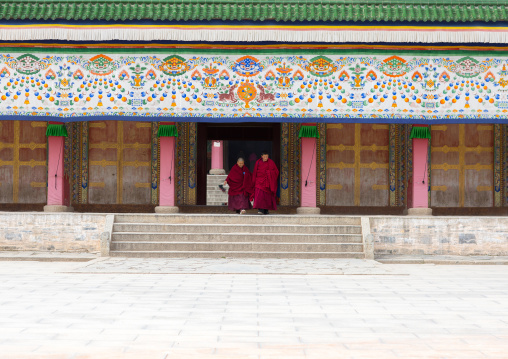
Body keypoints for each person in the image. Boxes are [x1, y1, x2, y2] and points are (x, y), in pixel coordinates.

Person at [251, 151, 279, 215]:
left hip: (267, 183)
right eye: (264, 156)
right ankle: (260, 209)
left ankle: (266, 210)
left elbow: (276, 172)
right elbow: (255, 172)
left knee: (267, 197)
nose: (266, 158)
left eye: (267, 156)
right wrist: (253, 181)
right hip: (259, 182)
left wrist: (269, 173)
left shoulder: (271, 162)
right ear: (262, 156)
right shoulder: (258, 162)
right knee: (259, 196)